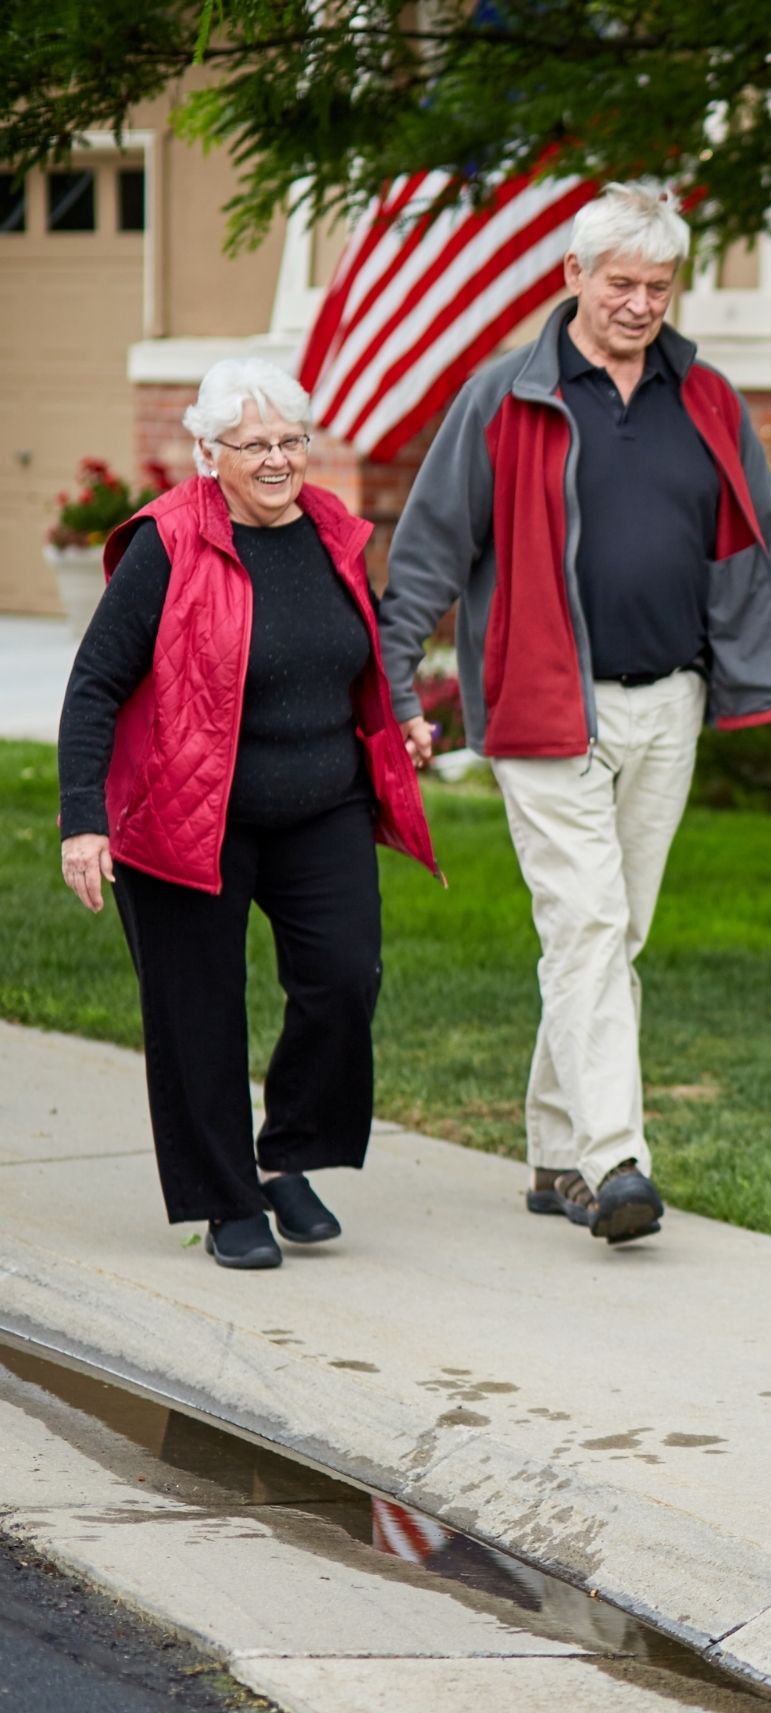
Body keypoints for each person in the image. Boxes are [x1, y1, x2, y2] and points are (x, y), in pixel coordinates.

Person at [380, 182, 771, 1248]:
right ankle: (616, 1163)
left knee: (607, 935)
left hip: (670, 702)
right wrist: (396, 693)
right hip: (545, 702)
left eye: (659, 285)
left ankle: (555, 1151)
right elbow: (422, 562)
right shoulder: (505, 399)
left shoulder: (709, 400)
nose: (641, 304)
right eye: (621, 284)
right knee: (589, 927)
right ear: (573, 280)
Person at [58, 358, 438, 1270]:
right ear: (208, 454)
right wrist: (82, 818)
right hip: (191, 809)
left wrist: (404, 720)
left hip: (322, 801)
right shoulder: (169, 544)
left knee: (345, 979)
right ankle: (226, 1198)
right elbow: (97, 683)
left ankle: (290, 1153)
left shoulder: (332, 536)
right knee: (198, 1011)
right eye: (253, 444)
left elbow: (359, 649)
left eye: (290, 441)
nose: (277, 460)